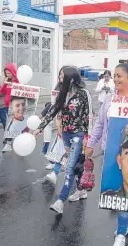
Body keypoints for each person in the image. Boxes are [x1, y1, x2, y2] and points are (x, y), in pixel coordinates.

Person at [85, 63, 128, 246]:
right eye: (114, 76)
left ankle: (120, 233)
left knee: (127, 190)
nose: (116, 79)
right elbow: (99, 125)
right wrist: (91, 144)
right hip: (110, 151)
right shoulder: (110, 99)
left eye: (120, 76)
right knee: (118, 190)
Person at [33, 66, 92, 214]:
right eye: (59, 75)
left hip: (79, 135)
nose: (59, 78)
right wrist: (39, 128)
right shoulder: (63, 94)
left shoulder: (84, 94)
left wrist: (88, 138)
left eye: (61, 76)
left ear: (71, 78)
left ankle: (60, 201)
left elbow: (90, 116)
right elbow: (52, 111)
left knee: (70, 166)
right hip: (66, 134)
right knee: (77, 163)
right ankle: (81, 190)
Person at [0, 63, 19, 152]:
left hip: (16, 106)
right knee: (11, 125)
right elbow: (2, 91)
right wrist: (5, 83)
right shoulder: (7, 81)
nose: (8, 75)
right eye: (6, 73)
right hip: (8, 106)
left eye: (9, 73)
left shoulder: (17, 81)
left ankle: (9, 144)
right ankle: (9, 143)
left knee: (11, 125)